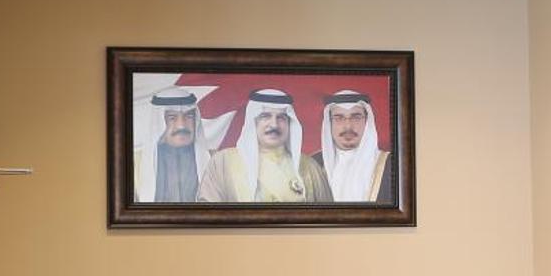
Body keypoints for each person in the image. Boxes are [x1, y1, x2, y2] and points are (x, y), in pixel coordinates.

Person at [198, 89, 332, 202]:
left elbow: (327, 218)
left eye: (281, 118)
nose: (274, 125)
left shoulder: (310, 167)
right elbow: (208, 214)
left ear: (290, 124)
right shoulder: (223, 162)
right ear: (253, 121)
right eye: (265, 116)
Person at [132, 87, 224, 203]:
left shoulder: (216, 162)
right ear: (159, 123)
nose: (181, 125)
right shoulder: (135, 165)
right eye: (172, 118)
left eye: (189, 116)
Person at [308, 90, 395, 203]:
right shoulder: (314, 164)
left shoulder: (391, 164)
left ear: (367, 122)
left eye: (356, 117)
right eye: (339, 118)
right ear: (329, 123)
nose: (348, 126)